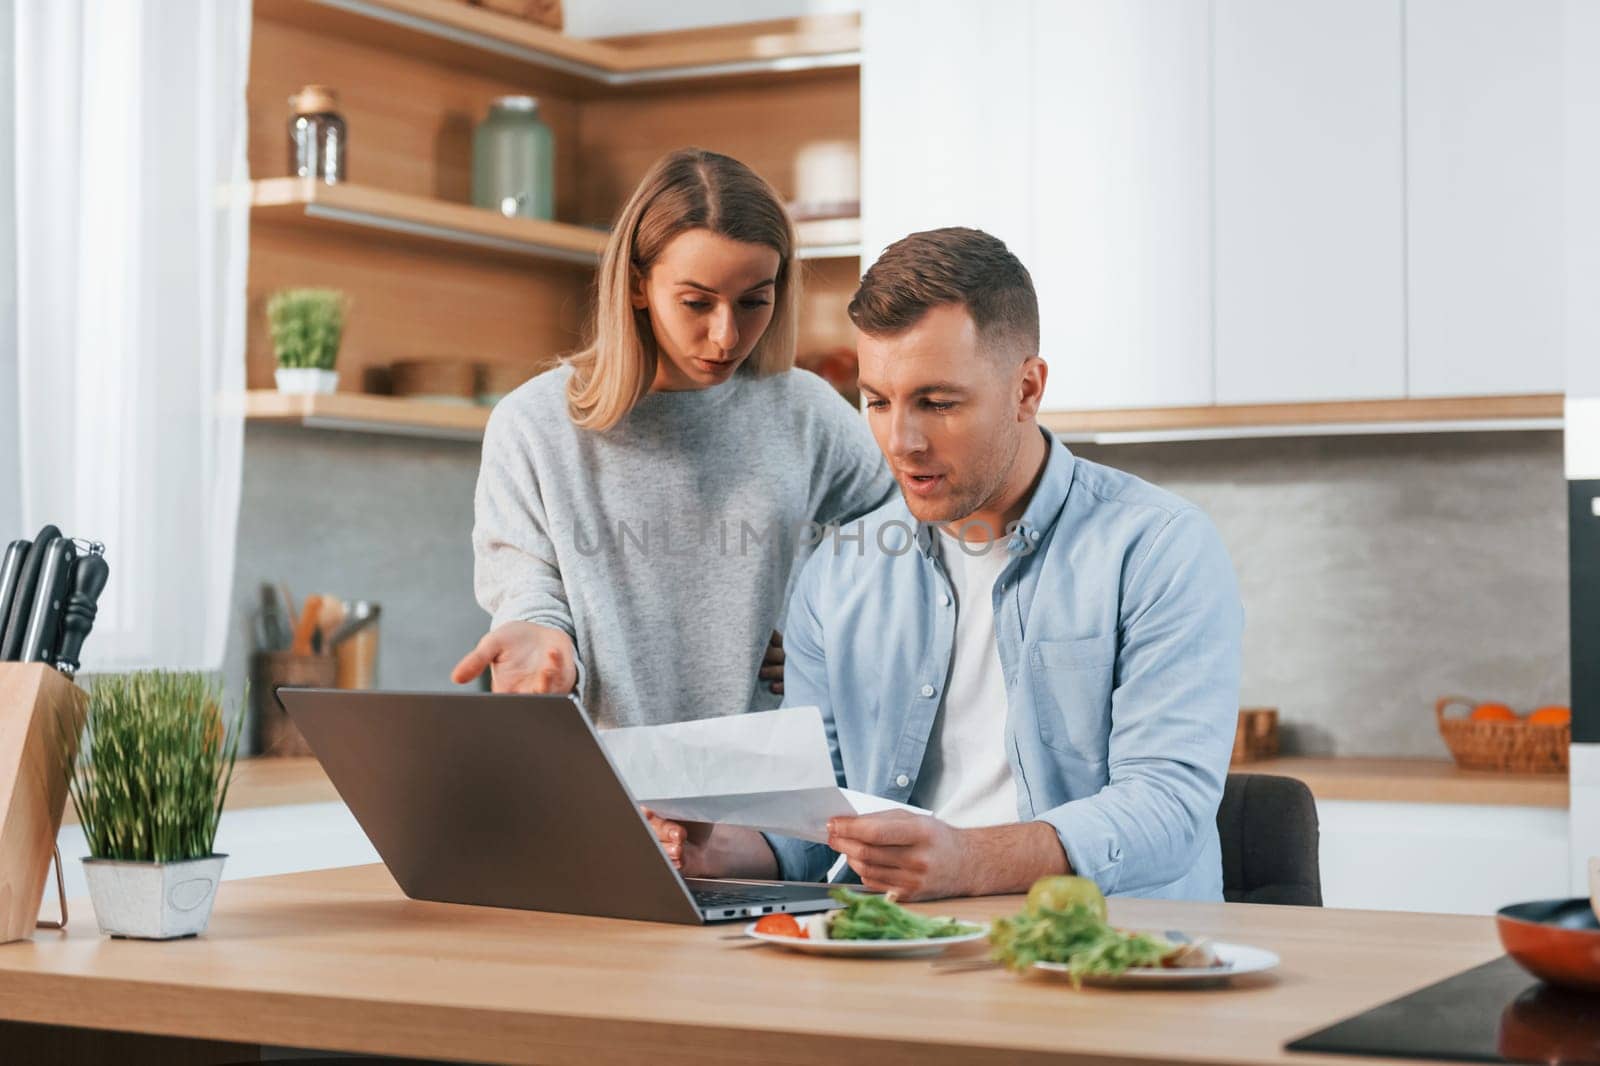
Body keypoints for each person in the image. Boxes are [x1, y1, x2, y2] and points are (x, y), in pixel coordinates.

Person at [649, 227, 1243, 900]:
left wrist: (969, 861)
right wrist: (712, 847)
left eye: (937, 403)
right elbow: (818, 834)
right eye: (877, 401)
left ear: (1026, 389)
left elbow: (1167, 809)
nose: (901, 442)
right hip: (899, 959)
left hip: (1109, 962)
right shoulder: (838, 573)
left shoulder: (1158, 550)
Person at [451, 148, 893, 729]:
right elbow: (525, 584)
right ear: (638, 286)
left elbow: (905, 538)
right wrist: (538, 635)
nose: (727, 334)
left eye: (754, 301)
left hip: (769, 796)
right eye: (696, 303)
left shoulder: (804, 411)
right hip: (607, 784)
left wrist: (831, 621)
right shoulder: (533, 426)